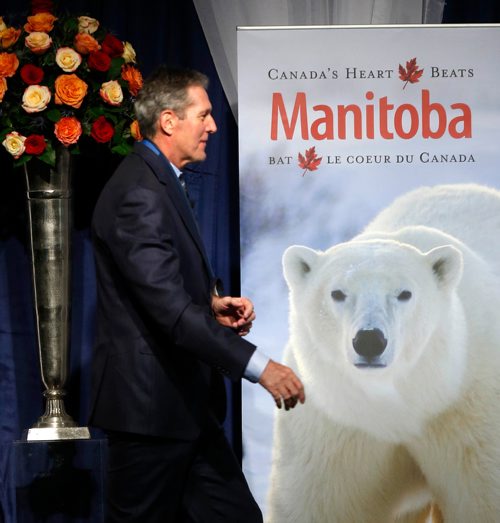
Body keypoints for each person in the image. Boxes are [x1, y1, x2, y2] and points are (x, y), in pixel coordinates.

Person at [89, 66, 305, 523]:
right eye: (203, 115)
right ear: (169, 121)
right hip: (148, 417)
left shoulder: (159, 181)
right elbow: (168, 312)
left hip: (183, 411)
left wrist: (210, 306)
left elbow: (161, 290)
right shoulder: (138, 192)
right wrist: (260, 367)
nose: (213, 126)